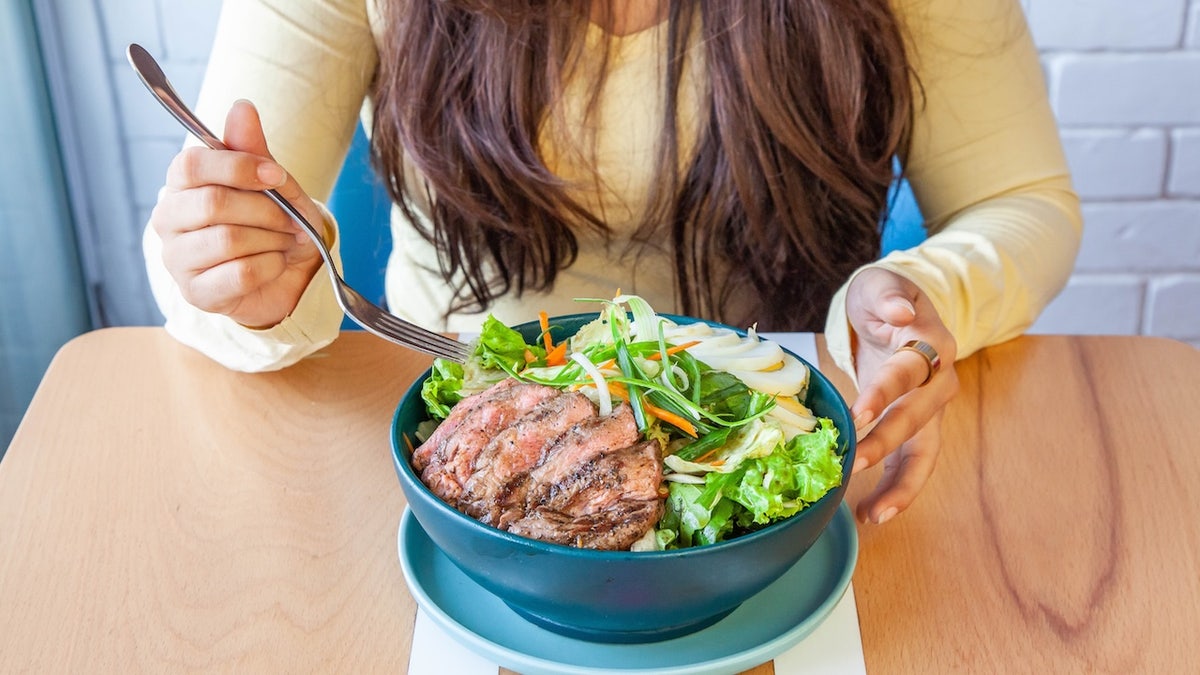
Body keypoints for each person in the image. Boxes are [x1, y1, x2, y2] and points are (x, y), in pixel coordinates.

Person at [143, 0, 1082, 526]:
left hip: (780, 444)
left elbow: (1024, 200)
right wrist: (250, 282)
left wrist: (924, 289)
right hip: (459, 445)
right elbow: (216, 216)